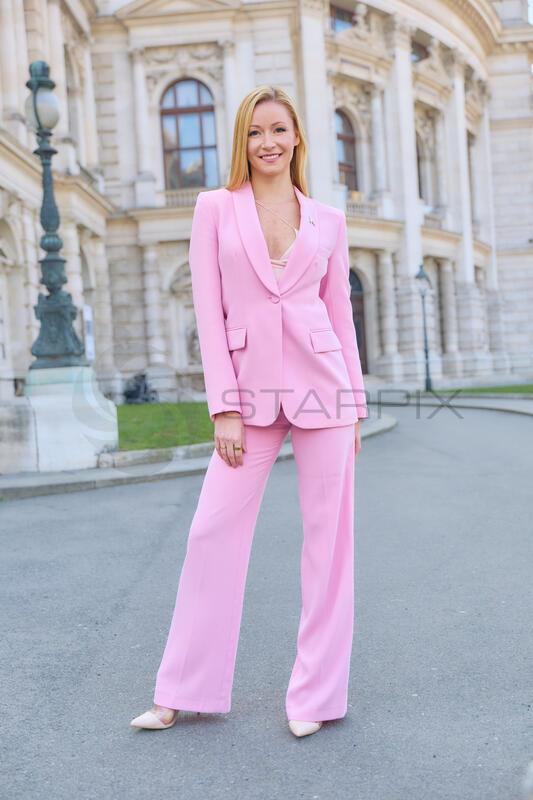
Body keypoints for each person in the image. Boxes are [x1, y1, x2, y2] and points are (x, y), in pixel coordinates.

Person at [130, 85, 368, 738]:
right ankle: (181, 688)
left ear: (296, 138)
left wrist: (355, 408)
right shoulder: (214, 208)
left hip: (326, 392)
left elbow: (340, 317)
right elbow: (209, 312)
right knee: (211, 533)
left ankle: (315, 696)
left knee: (329, 546)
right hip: (248, 396)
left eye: (278, 129)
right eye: (255, 131)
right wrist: (223, 410)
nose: (267, 141)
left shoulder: (328, 220)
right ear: (242, 141)